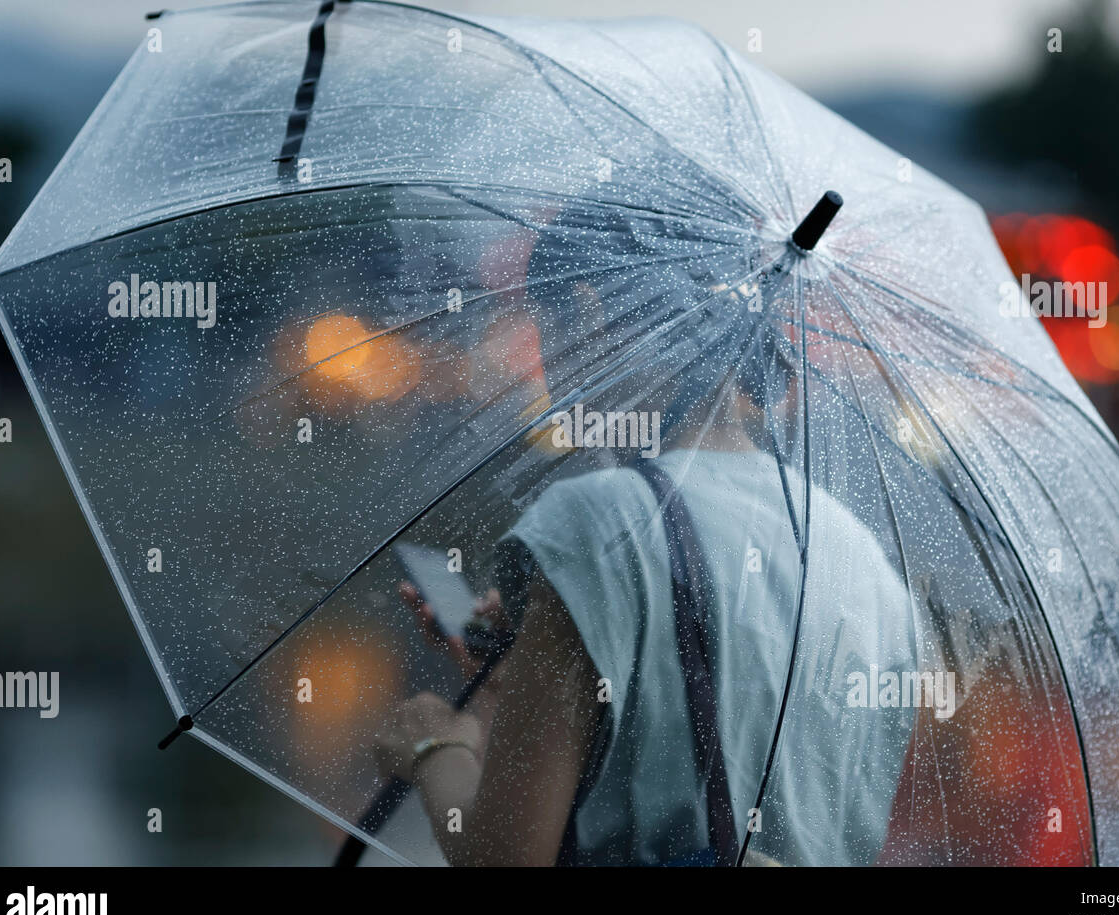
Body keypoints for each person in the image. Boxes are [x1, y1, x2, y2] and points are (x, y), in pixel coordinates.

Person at [375, 212, 915, 866]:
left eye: (546, 330)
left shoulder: (597, 523)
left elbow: (506, 862)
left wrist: (436, 751)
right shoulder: (864, 561)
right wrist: (518, 692)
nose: (550, 376)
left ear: (591, 309)